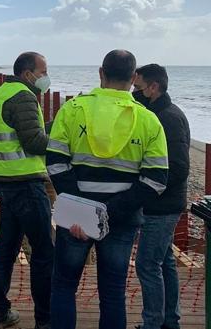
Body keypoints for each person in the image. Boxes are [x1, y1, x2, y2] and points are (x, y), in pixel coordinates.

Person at [46, 50, 169, 329]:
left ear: (101, 73)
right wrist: (109, 213)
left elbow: (54, 162)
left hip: (77, 219)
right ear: (134, 77)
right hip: (121, 221)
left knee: (64, 287)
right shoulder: (148, 119)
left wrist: (84, 211)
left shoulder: (73, 109)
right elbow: (156, 179)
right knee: (113, 293)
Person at [0, 52, 53, 329]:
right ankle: (45, 320)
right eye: (42, 71)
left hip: (6, 181)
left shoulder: (2, 92)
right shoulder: (24, 97)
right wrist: (61, 134)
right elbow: (34, 143)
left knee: (7, 247)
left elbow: (20, 135)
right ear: (28, 74)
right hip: (26, 184)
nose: (45, 77)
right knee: (44, 253)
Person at [133, 64, 190, 329]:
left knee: (147, 265)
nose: (135, 92)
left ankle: (153, 323)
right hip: (158, 203)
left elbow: (178, 168)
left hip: (163, 206)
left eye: (138, 87)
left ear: (153, 87)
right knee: (165, 262)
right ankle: (170, 321)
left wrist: (149, 186)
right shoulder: (156, 113)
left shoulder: (168, 117)